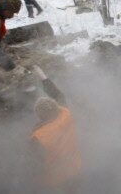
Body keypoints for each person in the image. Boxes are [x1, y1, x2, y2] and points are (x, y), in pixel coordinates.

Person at [29, 65, 81, 193]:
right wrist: (42, 75)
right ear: (56, 108)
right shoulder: (66, 114)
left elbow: (34, 165)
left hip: (56, 179)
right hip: (76, 167)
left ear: (39, 116)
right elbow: (58, 95)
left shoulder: (38, 138)